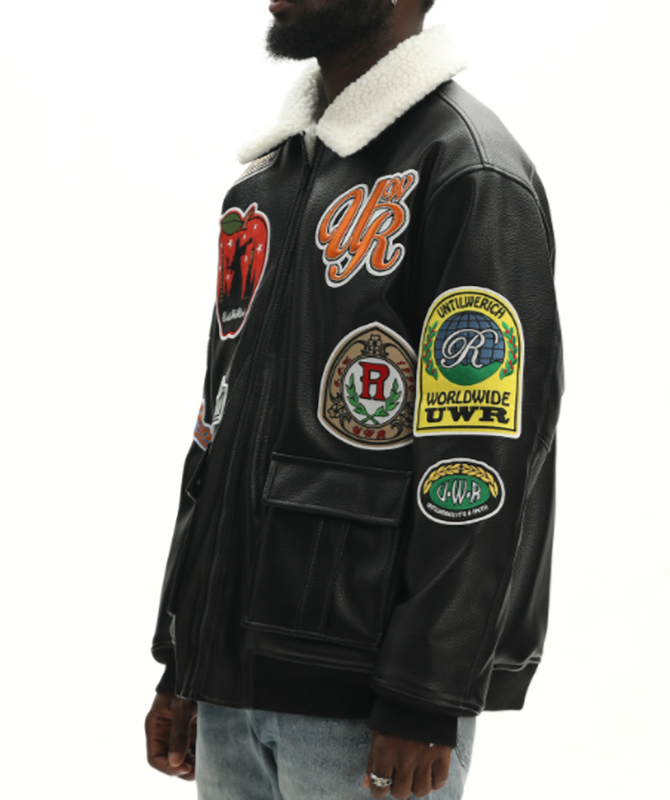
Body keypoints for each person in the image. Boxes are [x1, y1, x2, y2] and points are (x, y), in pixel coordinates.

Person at [145, 1, 564, 798]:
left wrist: (426, 691)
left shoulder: (468, 171)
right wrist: (184, 658)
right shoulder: (263, 184)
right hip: (229, 688)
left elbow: (482, 457)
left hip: (368, 705)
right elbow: (216, 433)